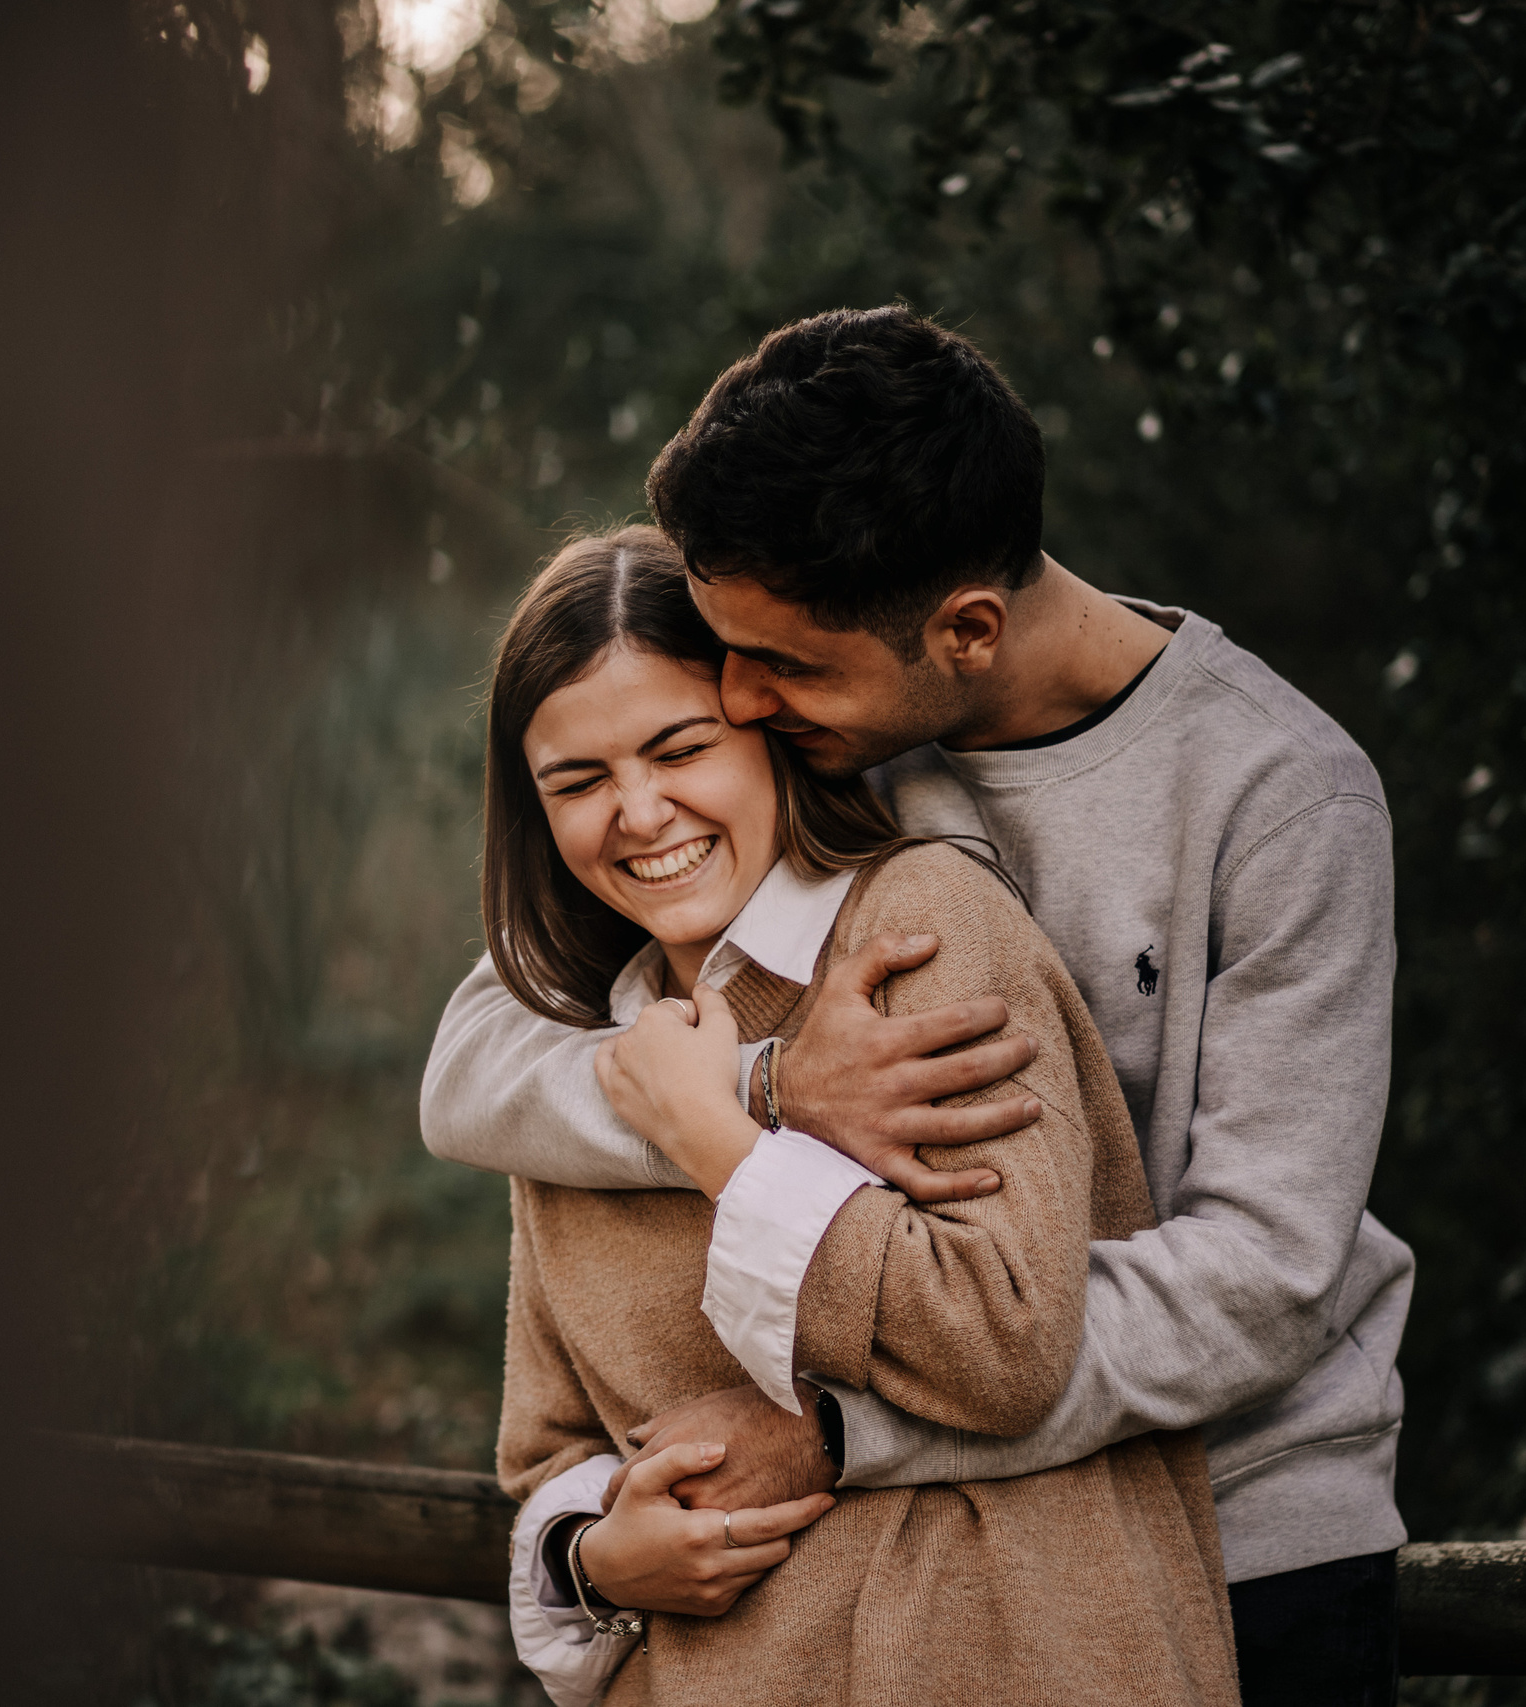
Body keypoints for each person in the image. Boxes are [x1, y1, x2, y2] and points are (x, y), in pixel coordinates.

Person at [424, 306, 1412, 1707]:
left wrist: (837, 1429)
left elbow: (1260, 1279)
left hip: (1250, 1524)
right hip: (918, 1554)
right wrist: (762, 1089)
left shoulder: (1275, 798)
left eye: (781, 667)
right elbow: (483, 1054)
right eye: (729, 656)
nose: (741, 699)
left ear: (965, 630)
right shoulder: (819, 745)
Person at [470, 527, 1238, 1706]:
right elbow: (549, 1449)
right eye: (577, 782)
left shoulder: (920, 930)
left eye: (680, 748)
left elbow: (1004, 1342)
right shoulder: (591, 1049)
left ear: (767, 733)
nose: (636, 813)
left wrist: (724, 1147)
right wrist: (595, 1554)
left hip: (995, 1655)